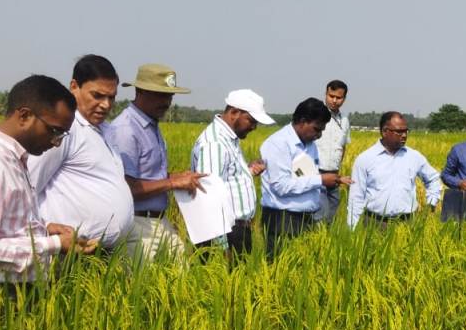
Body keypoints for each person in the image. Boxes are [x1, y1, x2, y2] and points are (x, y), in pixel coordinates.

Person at [0, 75, 97, 298]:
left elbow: (4, 228)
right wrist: (53, 244)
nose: (57, 142)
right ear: (24, 116)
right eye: (54, 131)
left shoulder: (12, 159)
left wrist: (46, 229)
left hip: (9, 293)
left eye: (62, 134)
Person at [28, 55, 134, 251]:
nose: (106, 105)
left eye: (111, 97)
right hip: (68, 252)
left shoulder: (106, 131)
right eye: (98, 96)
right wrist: (42, 229)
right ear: (74, 86)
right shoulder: (63, 130)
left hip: (102, 254)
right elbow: (27, 187)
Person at [105, 63, 205, 262]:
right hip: (137, 224)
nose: (166, 102)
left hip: (157, 221)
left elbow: (149, 176)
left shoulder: (151, 126)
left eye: (169, 96)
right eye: (160, 95)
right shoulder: (127, 130)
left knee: (181, 276)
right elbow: (125, 187)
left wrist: (177, 177)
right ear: (140, 91)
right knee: (146, 286)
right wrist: (172, 183)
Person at [259, 97, 351, 257]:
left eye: (322, 130)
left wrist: (330, 180)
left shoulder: (310, 145)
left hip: (306, 219)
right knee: (280, 271)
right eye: (317, 129)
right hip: (283, 220)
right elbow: (281, 186)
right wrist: (321, 180)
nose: (319, 135)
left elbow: (304, 177)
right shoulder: (278, 144)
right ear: (302, 121)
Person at [189, 89, 274, 255]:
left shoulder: (229, 138)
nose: (254, 127)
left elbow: (226, 179)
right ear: (234, 112)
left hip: (234, 232)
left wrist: (247, 171)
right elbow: (209, 195)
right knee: (221, 280)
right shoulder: (215, 143)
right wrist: (222, 246)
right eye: (251, 121)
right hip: (224, 235)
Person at [347, 111, 442, 229]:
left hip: (407, 223)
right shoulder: (365, 159)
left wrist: (431, 203)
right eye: (399, 132)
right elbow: (356, 197)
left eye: (406, 131)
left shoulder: (414, 157)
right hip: (375, 223)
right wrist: (352, 228)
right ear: (384, 132)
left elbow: (433, 178)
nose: (404, 135)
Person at [312, 80, 351, 223]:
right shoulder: (315, 115)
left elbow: (343, 147)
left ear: (344, 99)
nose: (334, 100)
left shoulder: (345, 120)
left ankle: (325, 242)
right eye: (331, 96)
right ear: (325, 94)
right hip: (316, 173)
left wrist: (337, 172)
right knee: (320, 214)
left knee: (331, 215)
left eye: (338, 97)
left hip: (334, 175)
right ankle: (314, 242)